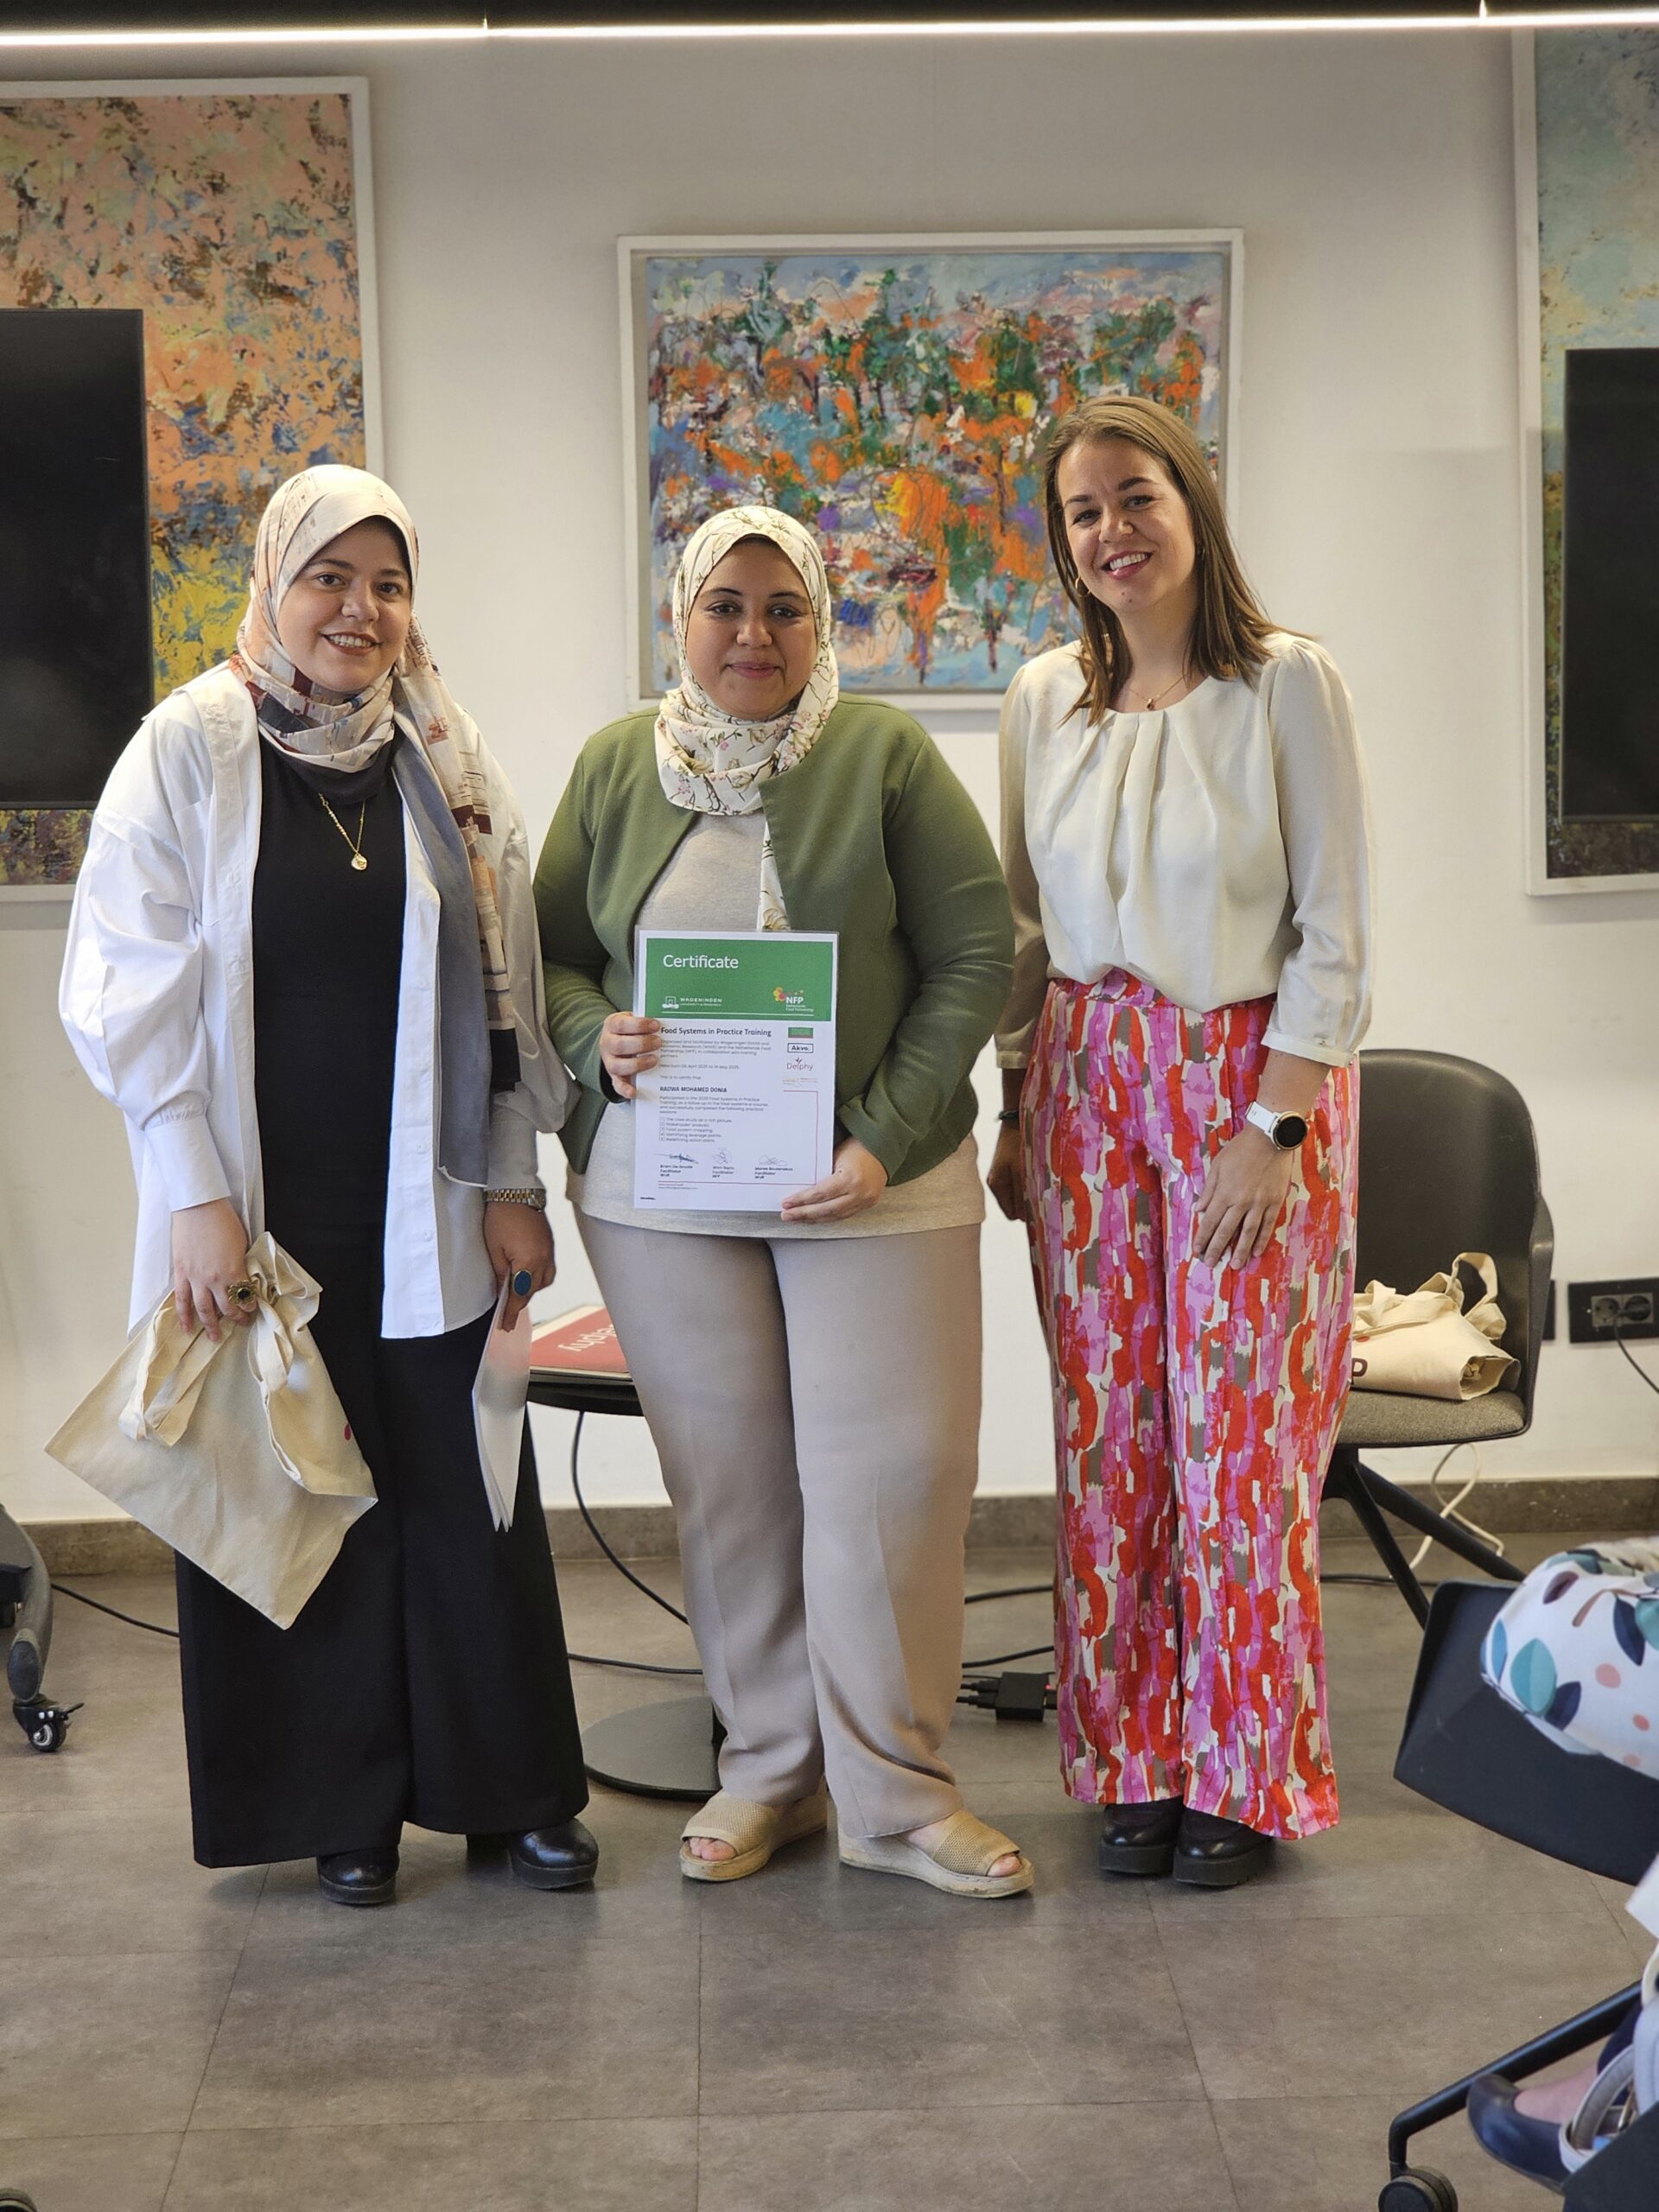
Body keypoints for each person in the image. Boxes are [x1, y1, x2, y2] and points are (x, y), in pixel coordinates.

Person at [60, 465, 595, 1906]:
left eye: (388, 583)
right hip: (259, 1197)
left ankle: (509, 1795)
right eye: (329, 579)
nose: (360, 611)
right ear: (273, 584)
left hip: (429, 1187)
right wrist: (194, 1194)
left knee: (468, 1489)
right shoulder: (189, 746)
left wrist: (513, 1177)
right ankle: (339, 1806)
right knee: (298, 1490)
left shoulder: (448, 754)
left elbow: (508, 981)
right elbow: (125, 985)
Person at [535, 503, 1030, 1897]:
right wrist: (591, 1037)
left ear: (821, 621)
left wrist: (883, 1137)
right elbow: (551, 957)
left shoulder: (880, 754)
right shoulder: (617, 762)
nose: (753, 633)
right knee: (732, 1488)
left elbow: (975, 953)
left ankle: (899, 1798)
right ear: (680, 618)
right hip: (663, 1192)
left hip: (874, 1182)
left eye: (783, 608)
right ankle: (769, 1771)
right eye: (725, 606)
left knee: (894, 1480)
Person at [989, 395, 1373, 1889]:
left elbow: (1336, 927)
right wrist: (1014, 1106)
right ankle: (1135, 1758)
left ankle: (1245, 1767)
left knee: (1239, 1445)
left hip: (1246, 1082)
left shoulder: (1286, 684)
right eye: (1082, 511)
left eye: (1134, 496)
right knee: (1112, 1439)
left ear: (1191, 502)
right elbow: (1024, 927)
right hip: (1084, 1081)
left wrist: (1277, 1125)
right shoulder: (1043, 700)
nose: (1112, 531)